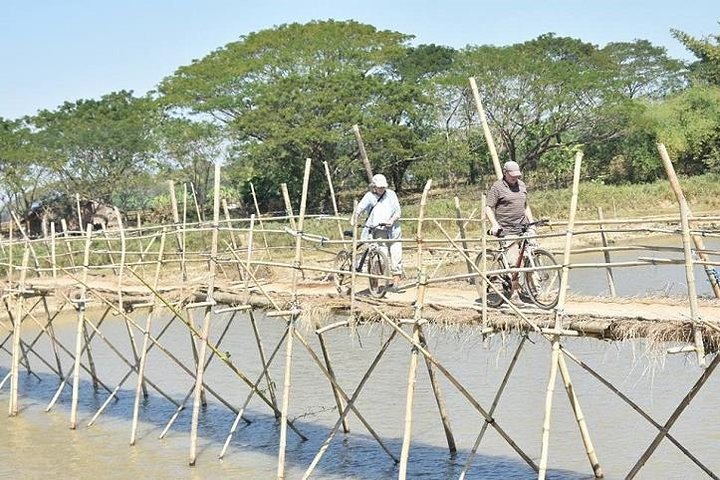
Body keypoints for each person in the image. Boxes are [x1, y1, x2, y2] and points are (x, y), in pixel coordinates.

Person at [485, 161, 535, 303]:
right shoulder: (497, 187)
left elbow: (526, 206)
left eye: (517, 176)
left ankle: (531, 290)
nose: (515, 178)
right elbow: (488, 207)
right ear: (505, 173)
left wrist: (531, 224)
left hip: (523, 228)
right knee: (514, 263)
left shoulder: (522, 185)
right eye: (512, 176)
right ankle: (514, 294)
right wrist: (494, 224)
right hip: (507, 230)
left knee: (529, 257)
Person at [354, 173, 403, 287]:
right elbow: (359, 208)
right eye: (379, 187)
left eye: (383, 187)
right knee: (381, 255)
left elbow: (397, 211)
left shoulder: (391, 194)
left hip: (393, 229)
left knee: (396, 253)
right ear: (374, 187)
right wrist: (355, 217)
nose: (382, 189)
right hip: (378, 230)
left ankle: (396, 279)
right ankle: (375, 283)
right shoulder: (369, 196)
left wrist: (391, 220)